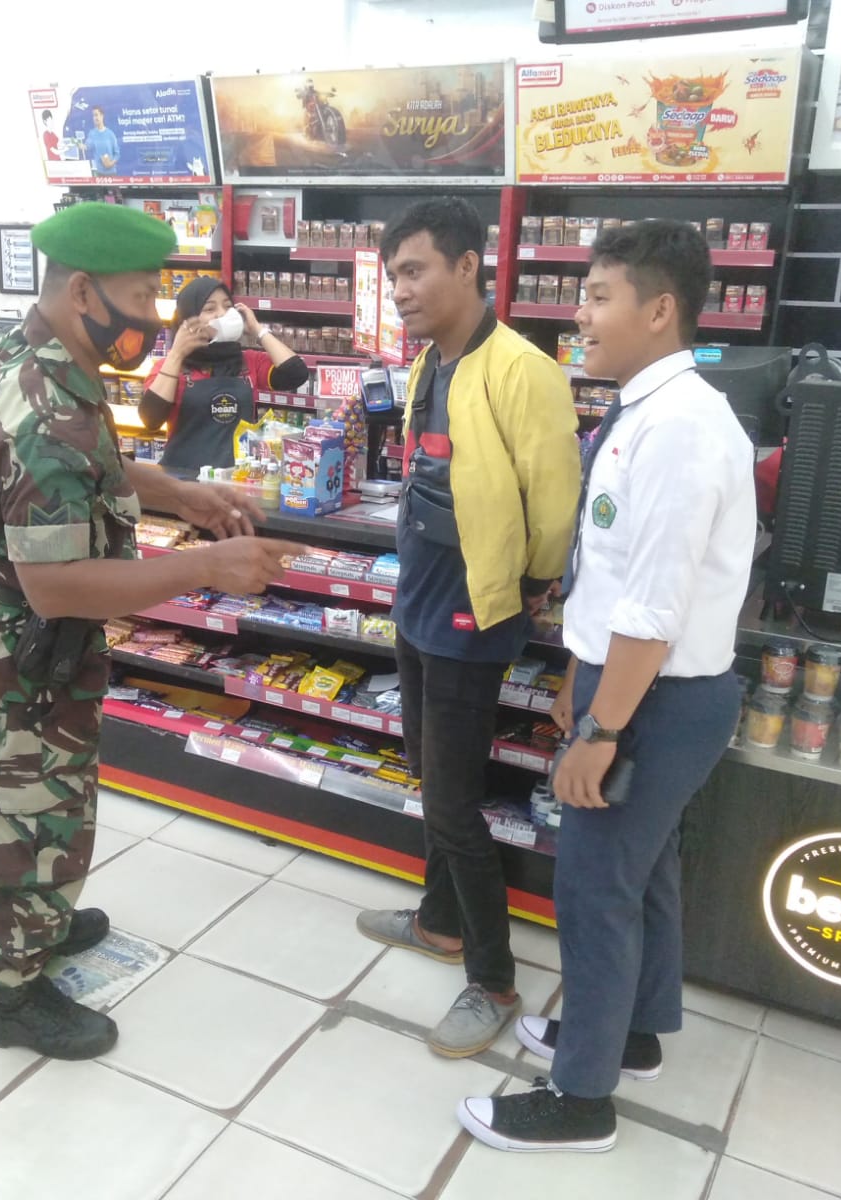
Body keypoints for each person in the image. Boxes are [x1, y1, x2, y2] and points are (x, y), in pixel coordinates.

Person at [0, 202, 305, 1061]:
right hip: (18, 654)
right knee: (22, 815)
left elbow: (95, 466)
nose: (151, 319)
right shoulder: (47, 404)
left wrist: (182, 495)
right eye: (139, 297)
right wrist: (209, 567)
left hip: (10, 641)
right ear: (83, 291)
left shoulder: (39, 356)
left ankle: (41, 918)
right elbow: (57, 584)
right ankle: (9, 993)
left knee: (40, 808)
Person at [456, 219, 755, 1152]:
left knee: (594, 890)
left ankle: (580, 1099)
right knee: (643, 873)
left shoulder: (680, 430)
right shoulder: (644, 413)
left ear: (659, 310)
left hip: (655, 703)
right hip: (629, 690)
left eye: (597, 297)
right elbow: (615, 576)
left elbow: (655, 610)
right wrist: (580, 681)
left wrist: (600, 730)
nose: (578, 316)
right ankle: (631, 1034)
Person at [355, 198, 581, 1058]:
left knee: (452, 802)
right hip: (420, 604)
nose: (402, 291)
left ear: (466, 267)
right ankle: (440, 921)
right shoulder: (428, 364)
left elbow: (554, 505)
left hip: (471, 613)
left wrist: (524, 586)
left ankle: (492, 979)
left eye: (415, 271)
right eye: (394, 277)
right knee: (428, 775)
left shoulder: (523, 370)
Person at [139, 277, 309, 470]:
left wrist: (258, 330)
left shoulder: (247, 362)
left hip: (234, 479)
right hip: (182, 480)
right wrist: (177, 354)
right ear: (188, 319)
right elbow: (151, 419)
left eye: (228, 306)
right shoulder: (170, 366)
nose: (222, 313)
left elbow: (296, 373)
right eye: (210, 309)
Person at [85, 107, 119, 175]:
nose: (95, 118)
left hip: (111, 174)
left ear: (102, 116)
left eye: (96, 115)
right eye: (93, 116)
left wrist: (110, 164)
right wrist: (77, 144)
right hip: (98, 173)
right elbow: (87, 147)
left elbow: (117, 154)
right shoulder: (92, 133)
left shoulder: (110, 134)